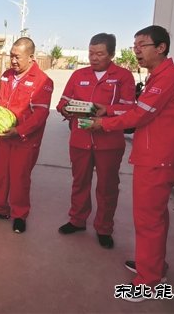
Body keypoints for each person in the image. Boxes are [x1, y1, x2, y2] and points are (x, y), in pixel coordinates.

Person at [88, 25, 174, 302]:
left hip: (157, 159)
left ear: (161, 47)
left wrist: (102, 124)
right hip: (157, 157)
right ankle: (154, 266)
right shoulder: (162, 76)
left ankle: (148, 281)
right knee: (156, 218)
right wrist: (109, 110)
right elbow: (139, 109)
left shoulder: (167, 78)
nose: (136, 51)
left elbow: (137, 117)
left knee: (148, 221)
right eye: (134, 46)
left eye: (142, 45)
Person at [56, 33, 136, 249]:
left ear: (112, 54)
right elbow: (62, 102)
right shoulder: (78, 75)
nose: (94, 58)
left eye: (100, 54)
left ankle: (104, 228)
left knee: (107, 187)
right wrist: (66, 109)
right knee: (79, 182)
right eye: (91, 53)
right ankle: (77, 220)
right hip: (80, 139)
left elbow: (130, 109)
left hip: (109, 142)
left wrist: (107, 111)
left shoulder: (123, 76)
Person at [0, 37, 53, 233]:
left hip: (25, 140)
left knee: (20, 179)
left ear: (31, 57)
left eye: (17, 57)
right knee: (1, 174)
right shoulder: (7, 75)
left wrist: (18, 130)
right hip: (4, 136)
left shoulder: (43, 81)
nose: (13, 60)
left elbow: (40, 115)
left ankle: (20, 214)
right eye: (11, 56)